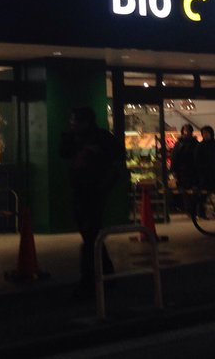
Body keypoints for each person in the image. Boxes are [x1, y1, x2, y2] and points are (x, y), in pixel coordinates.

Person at [58, 106, 126, 296]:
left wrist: (104, 184)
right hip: (83, 189)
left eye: (74, 121)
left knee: (90, 235)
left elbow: (117, 160)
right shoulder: (76, 138)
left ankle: (89, 281)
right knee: (92, 235)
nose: (72, 124)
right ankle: (106, 275)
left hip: (95, 190)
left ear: (85, 122)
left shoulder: (101, 138)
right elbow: (63, 152)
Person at [169, 123, 198, 208]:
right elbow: (174, 157)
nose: (186, 133)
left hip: (192, 171)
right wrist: (173, 170)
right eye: (185, 131)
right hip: (182, 172)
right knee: (183, 190)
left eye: (188, 131)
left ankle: (191, 207)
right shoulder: (179, 144)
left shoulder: (194, 143)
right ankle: (187, 207)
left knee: (192, 190)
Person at [193, 125, 215, 193]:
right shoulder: (200, 146)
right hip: (204, 175)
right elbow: (197, 160)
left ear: (211, 133)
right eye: (204, 133)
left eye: (207, 133)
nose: (205, 135)